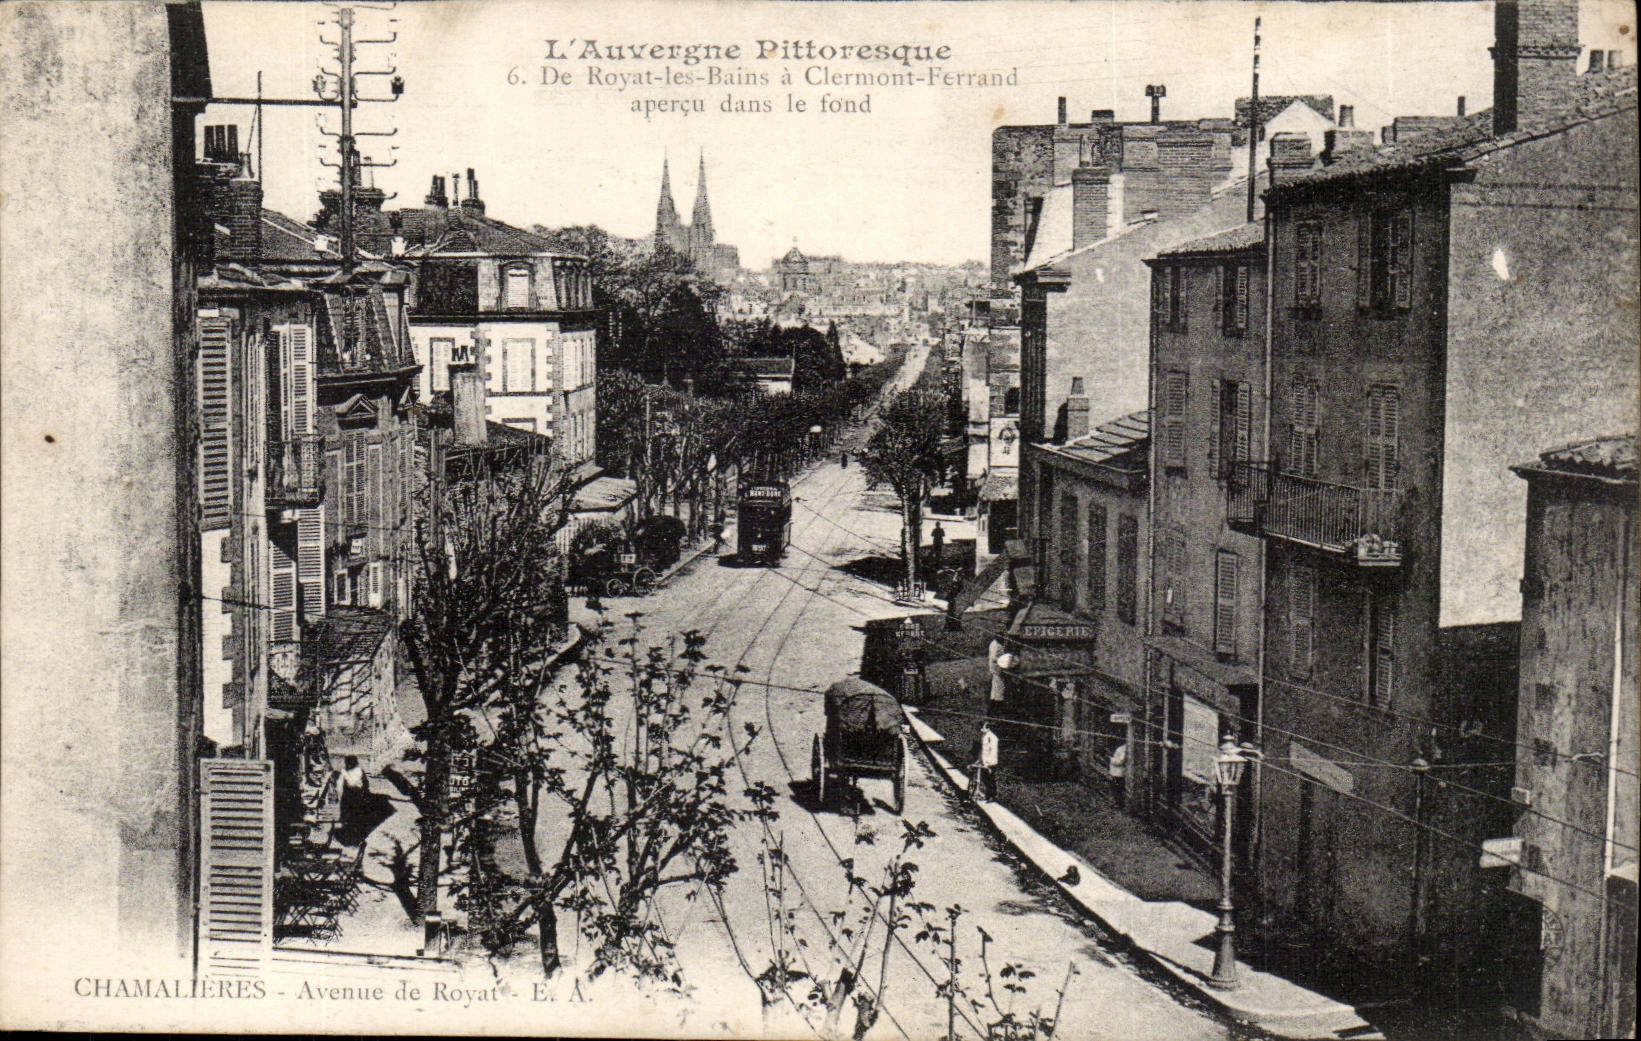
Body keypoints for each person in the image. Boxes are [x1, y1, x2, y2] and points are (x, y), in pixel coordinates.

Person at [971, 723, 999, 802]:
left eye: (983, 728)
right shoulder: (984, 736)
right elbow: (982, 750)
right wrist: (979, 760)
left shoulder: (993, 738)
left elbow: (993, 752)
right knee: (984, 778)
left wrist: (988, 763)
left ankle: (992, 796)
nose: (981, 730)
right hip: (983, 761)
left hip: (991, 763)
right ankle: (987, 795)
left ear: (988, 729)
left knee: (991, 779)